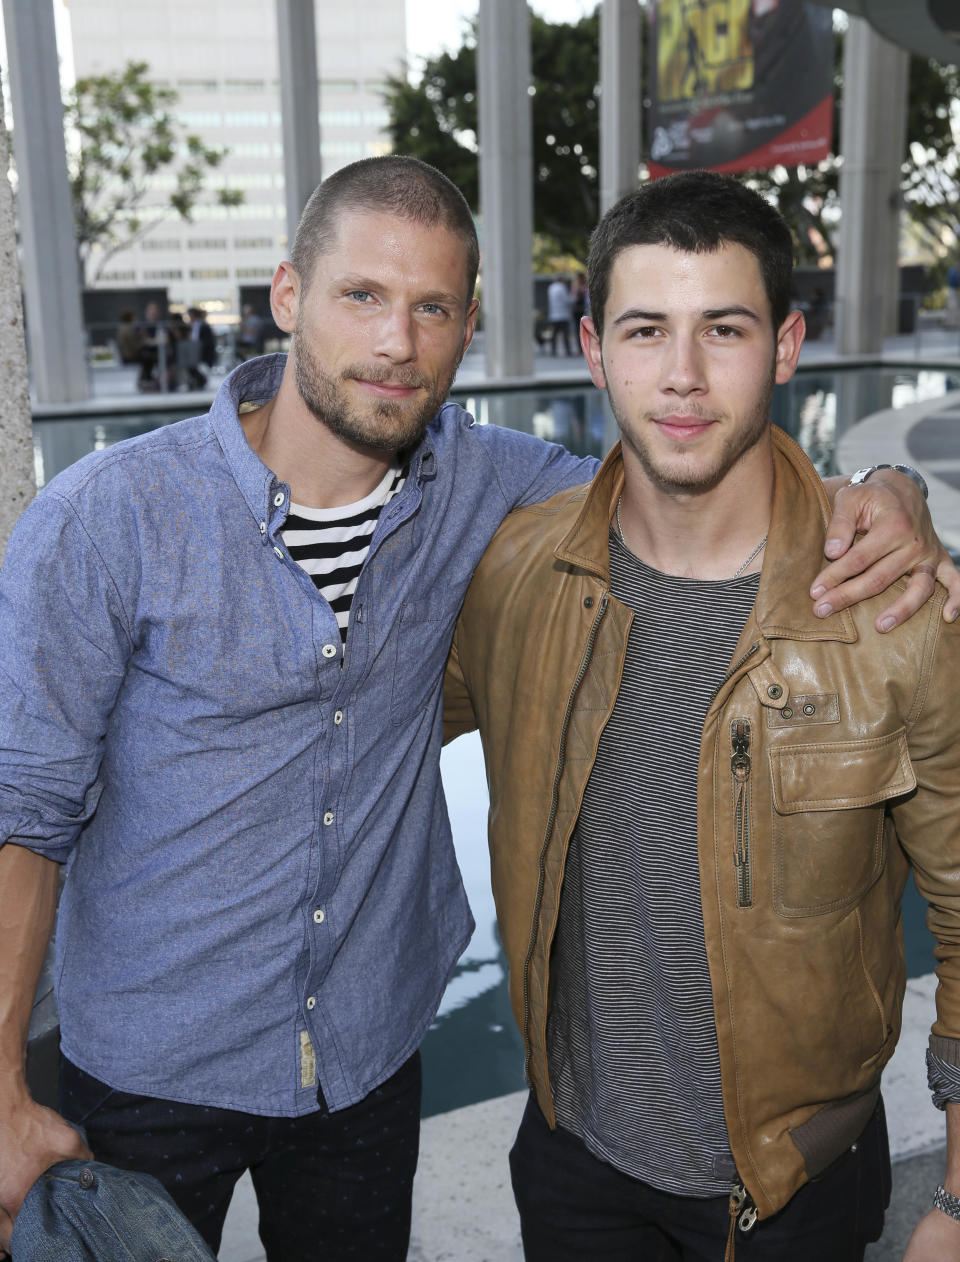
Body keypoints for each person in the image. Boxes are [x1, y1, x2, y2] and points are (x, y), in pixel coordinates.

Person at [0, 156, 953, 1262]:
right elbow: (24, 804)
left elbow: (690, 468)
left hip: (366, 1059)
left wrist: (887, 492)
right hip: (149, 1067)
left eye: (433, 307)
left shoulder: (501, 495)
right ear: (286, 296)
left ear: (467, 326)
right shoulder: (108, 517)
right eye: (362, 295)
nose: (397, 342)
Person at [443, 171, 960, 1262]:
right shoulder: (519, 574)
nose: (680, 377)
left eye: (723, 328)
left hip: (793, 1193)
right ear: (592, 348)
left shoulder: (893, 610)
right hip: (573, 1167)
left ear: (785, 344)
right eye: (645, 330)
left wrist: (959, 1198)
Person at [185, 306, 217, 389]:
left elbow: (207, 341)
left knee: (199, 368)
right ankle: (198, 382)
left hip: (202, 352)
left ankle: (201, 382)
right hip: (194, 350)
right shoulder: (192, 325)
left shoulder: (203, 326)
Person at [547, 274, 574, 356]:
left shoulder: (551, 288)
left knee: (554, 334)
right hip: (563, 315)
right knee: (565, 334)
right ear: (562, 280)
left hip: (554, 315)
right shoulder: (562, 288)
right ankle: (568, 351)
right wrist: (573, 298)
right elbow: (566, 300)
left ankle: (553, 350)